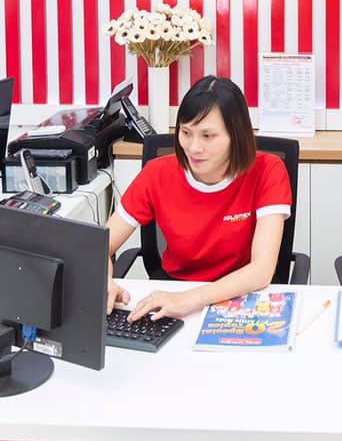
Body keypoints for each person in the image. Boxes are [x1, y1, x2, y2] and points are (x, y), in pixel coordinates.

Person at [106, 76, 292, 321]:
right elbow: (99, 246)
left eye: (208, 136)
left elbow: (262, 270)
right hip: (175, 292)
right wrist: (103, 281)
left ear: (236, 135)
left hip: (242, 297)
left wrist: (190, 300)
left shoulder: (268, 170)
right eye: (186, 132)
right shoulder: (157, 173)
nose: (194, 147)